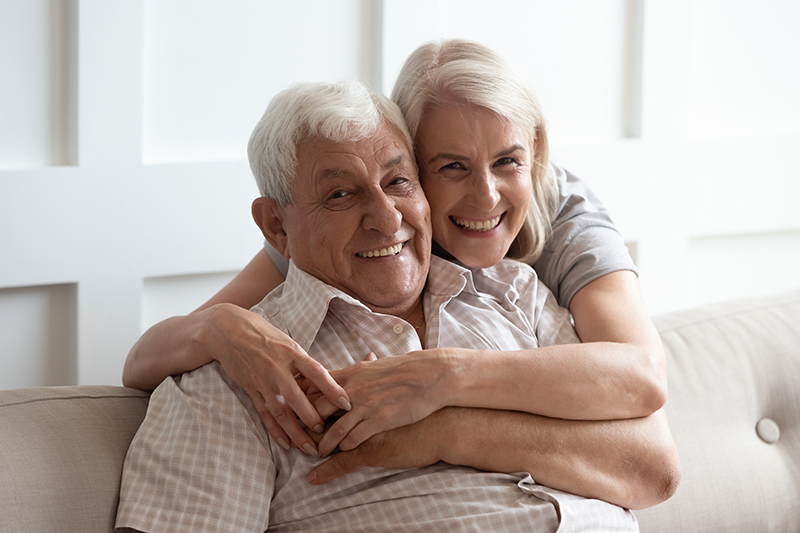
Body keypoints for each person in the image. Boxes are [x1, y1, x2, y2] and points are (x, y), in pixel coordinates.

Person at [116, 80, 673, 532]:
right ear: (276, 226)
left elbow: (652, 465)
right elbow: (146, 359)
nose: (387, 218)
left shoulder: (519, 291)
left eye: (397, 181)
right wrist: (215, 328)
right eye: (340, 193)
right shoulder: (248, 375)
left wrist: (443, 422)